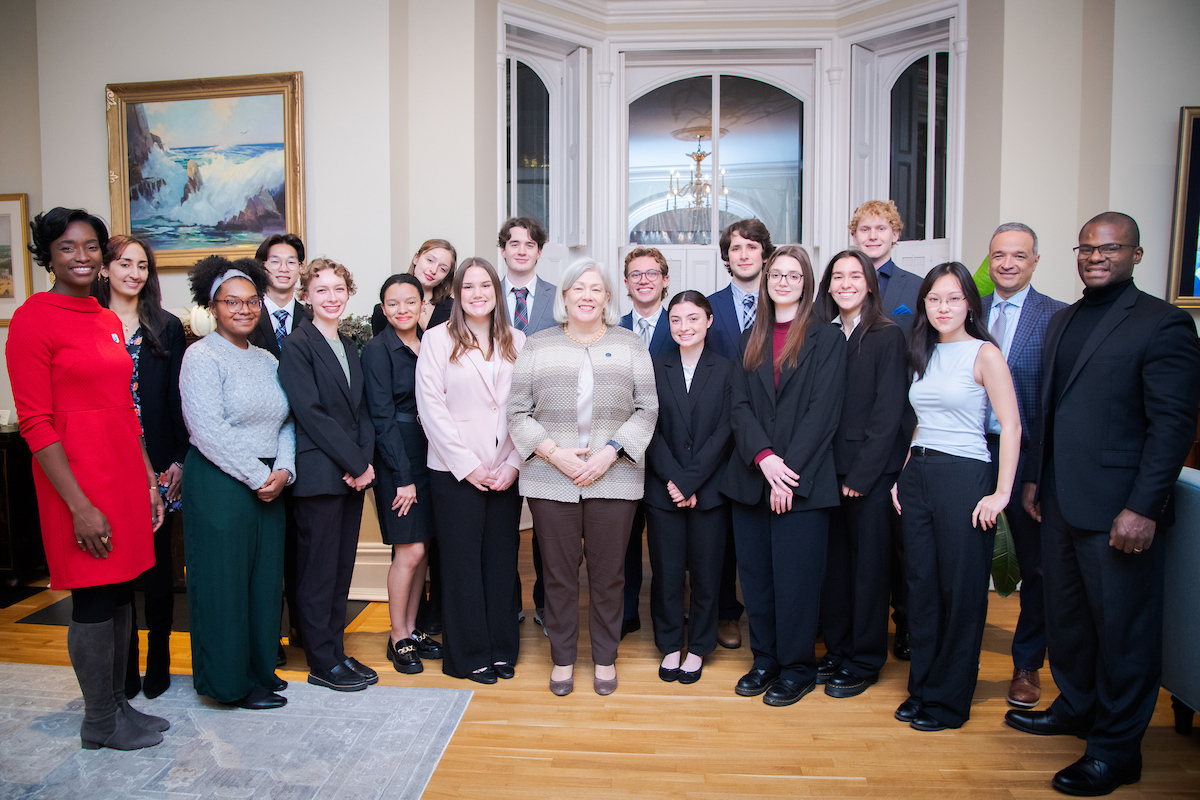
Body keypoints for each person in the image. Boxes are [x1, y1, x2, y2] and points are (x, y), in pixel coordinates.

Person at [1007, 212, 1200, 796]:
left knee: (1123, 630)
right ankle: (1079, 707)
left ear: (1136, 256)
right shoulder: (1064, 320)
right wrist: (1036, 480)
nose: (1096, 257)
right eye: (1088, 248)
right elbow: (1052, 409)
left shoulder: (1162, 324)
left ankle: (1117, 750)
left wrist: (1143, 506)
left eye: (1110, 249)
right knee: (1070, 620)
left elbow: (1172, 425)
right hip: (1062, 501)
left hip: (1121, 510)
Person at [7, 207, 167, 750]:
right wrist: (79, 506)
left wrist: (148, 481)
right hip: (75, 483)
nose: (82, 257)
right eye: (68, 248)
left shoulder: (104, 319)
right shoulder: (33, 318)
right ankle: (99, 720)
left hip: (123, 473)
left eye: (91, 246)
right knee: (94, 598)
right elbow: (34, 422)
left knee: (121, 592)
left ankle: (119, 707)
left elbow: (127, 406)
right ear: (47, 256)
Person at [507, 259, 658, 697]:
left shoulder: (630, 344)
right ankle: (562, 658)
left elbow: (647, 408)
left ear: (608, 298)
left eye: (596, 288)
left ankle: (606, 657)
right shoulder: (536, 345)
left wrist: (610, 453)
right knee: (558, 575)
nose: (587, 295)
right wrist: (556, 455)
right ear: (566, 296)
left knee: (609, 575)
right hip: (550, 477)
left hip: (616, 476)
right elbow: (517, 411)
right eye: (579, 288)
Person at [891, 260, 1020, 732]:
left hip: (965, 476)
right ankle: (922, 687)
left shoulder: (984, 353)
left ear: (969, 302)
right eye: (934, 299)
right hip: (919, 474)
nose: (943, 307)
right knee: (921, 588)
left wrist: (1001, 492)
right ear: (924, 304)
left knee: (959, 591)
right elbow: (921, 421)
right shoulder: (921, 351)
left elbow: (1010, 425)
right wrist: (902, 475)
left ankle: (949, 701)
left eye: (953, 298)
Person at [721, 244, 847, 707]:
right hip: (753, 478)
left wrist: (786, 472)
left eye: (793, 276)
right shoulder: (750, 337)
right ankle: (766, 659)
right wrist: (764, 459)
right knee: (756, 579)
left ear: (806, 283)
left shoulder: (827, 338)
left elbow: (823, 413)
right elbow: (738, 406)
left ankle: (797, 668)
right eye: (777, 274)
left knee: (796, 580)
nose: (783, 282)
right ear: (766, 280)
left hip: (803, 483)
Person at [179, 255, 295, 710]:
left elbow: (287, 420)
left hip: (269, 482)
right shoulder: (201, 356)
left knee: (264, 584)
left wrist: (283, 471)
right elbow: (206, 428)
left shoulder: (268, 359)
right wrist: (258, 474)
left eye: (252, 301)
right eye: (233, 301)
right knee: (222, 584)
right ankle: (228, 684)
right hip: (221, 481)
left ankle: (260, 670)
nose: (244, 309)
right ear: (212, 305)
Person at [415, 257, 526, 684]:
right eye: (469, 287)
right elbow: (431, 408)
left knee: (500, 563)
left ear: (497, 293)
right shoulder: (438, 339)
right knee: (462, 565)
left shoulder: (517, 339)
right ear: (458, 295)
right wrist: (467, 465)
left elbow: (525, 406)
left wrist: (513, 464)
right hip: (453, 470)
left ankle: (501, 649)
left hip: (505, 471)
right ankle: (469, 655)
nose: (478, 293)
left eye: (486, 286)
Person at [93, 234, 189, 701]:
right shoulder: (87, 322)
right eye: (124, 264)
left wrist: (177, 460)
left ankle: (159, 656)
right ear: (105, 268)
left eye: (142, 266)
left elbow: (174, 397)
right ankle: (124, 662)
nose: (133, 273)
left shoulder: (165, 325)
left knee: (157, 568)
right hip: (106, 461)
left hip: (158, 462)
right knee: (117, 567)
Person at [277, 258, 377, 692]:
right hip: (320, 476)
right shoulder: (298, 345)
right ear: (306, 296)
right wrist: (357, 464)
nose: (331, 297)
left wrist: (365, 465)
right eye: (322, 290)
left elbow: (363, 413)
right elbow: (312, 415)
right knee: (317, 574)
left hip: (351, 476)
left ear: (348, 293)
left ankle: (334, 650)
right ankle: (321, 661)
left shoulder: (349, 344)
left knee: (340, 570)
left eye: (339, 289)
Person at [977, 223, 1066, 710]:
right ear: (988, 261)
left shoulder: (1057, 317)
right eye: (998, 255)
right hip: (970, 449)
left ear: (1035, 260)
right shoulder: (967, 314)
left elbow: (1058, 400)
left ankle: (1027, 663)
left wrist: (1038, 470)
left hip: (1029, 453)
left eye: (1018, 255)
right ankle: (959, 657)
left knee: (1035, 565)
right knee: (966, 559)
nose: (1007, 263)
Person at [813, 249, 907, 698]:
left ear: (870, 283)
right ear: (828, 285)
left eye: (855, 275)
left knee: (869, 569)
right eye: (838, 276)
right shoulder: (821, 334)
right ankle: (838, 649)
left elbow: (889, 415)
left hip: (867, 474)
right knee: (834, 569)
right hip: (824, 472)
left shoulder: (887, 335)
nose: (846, 283)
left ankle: (866, 659)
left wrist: (862, 476)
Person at [644, 290, 734, 685]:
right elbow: (647, 427)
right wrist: (675, 481)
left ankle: (697, 647)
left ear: (709, 321)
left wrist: (692, 480)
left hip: (710, 491)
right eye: (676, 320)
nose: (684, 327)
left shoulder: (728, 369)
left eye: (693, 319)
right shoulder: (653, 366)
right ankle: (668, 644)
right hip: (664, 489)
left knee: (706, 572)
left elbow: (727, 431)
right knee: (665, 573)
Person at [849, 199, 922, 661]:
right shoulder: (842, 285)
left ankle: (908, 623)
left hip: (906, 423)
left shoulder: (916, 288)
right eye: (864, 229)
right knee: (864, 542)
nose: (873, 236)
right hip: (859, 427)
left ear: (895, 235)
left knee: (900, 540)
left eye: (881, 229)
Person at [362, 274, 439, 675]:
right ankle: (397, 637)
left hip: (431, 454)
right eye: (393, 304)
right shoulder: (377, 350)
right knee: (407, 551)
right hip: (399, 459)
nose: (402, 310)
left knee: (422, 548)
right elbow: (381, 417)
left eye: (410, 302)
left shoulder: (432, 343)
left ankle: (412, 628)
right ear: (383, 308)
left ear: (422, 304)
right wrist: (403, 476)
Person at [705, 218, 775, 650]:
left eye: (752, 246)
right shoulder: (707, 306)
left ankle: (772, 609)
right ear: (726, 256)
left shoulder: (783, 300)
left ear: (764, 254)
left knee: (768, 527)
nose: (744, 254)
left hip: (769, 434)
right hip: (719, 434)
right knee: (724, 534)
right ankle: (727, 612)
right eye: (735, 248)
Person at [247, 232, 310, 666]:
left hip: (306, 446)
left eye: (292, 261)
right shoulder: (246, 316)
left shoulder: (314, 315)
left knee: (302, 547)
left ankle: (304, 629)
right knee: (264, 550)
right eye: (276, 261)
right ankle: (266, 637)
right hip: (260, 448)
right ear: (263, 267)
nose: (284, 268)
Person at [497, 217, 557, 629]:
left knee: (546, 528)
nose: (521, 250)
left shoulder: (559, 298)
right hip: (494, 428)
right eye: (513, 243)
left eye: (529, 243)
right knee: (502, 527)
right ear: (502, 249)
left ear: (540, 250)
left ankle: (546, 606)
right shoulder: (483, 293)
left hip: (545, 425)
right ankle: (506, 603)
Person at [619, 246, 672, 640]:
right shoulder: (611, 328)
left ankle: (668, 617)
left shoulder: (685, 323)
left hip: (671, 449)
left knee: (667, 544)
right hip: (621, 451)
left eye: (651, 272)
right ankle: (625, 613)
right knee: (622, 539)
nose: (643, 279)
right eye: (635, 274)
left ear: (665, 280)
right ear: (625, 284)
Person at [370, 239, 457, 335]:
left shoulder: (454, 310)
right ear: (416, 258)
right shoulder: (383, 311)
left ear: (447, 276)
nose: (433, 270)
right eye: (430, 260)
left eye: (442, 269)